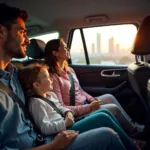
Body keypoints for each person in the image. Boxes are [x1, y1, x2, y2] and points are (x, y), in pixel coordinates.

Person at [0, 3, 127, 150]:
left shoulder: (15, 74)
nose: (28, 40)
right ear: (1, 31)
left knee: (104, 116)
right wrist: (54, 145)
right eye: (22, 32)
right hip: (46, 143)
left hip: (46, 135)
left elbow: (49, 101)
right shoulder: (30, 76)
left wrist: (67, 114)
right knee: (107, 136)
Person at [19, 63, 138, 150]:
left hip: (68, 122)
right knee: (103, 118)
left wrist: (67, 112)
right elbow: (45, 129)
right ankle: (131, 146)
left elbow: (60, 107)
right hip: (61, 132)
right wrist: (65, 123)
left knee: (104, 113)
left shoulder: (51, 95)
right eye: (46, 77)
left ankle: (128, 142)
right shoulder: (36, 103)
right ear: (36, 85)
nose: (50, 79)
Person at [44, 38, 144, 136]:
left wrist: (91, 99)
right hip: (76, 113)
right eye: (64, 47)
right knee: (113, 108)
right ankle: (134, 131)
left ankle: (131, 125)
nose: (68, 49)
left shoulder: (70, 70)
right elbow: (61, 107)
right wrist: (89, 107)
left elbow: (80, 90)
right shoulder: (53, 77)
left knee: (109, 97)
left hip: (85, 103)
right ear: (55, 53)